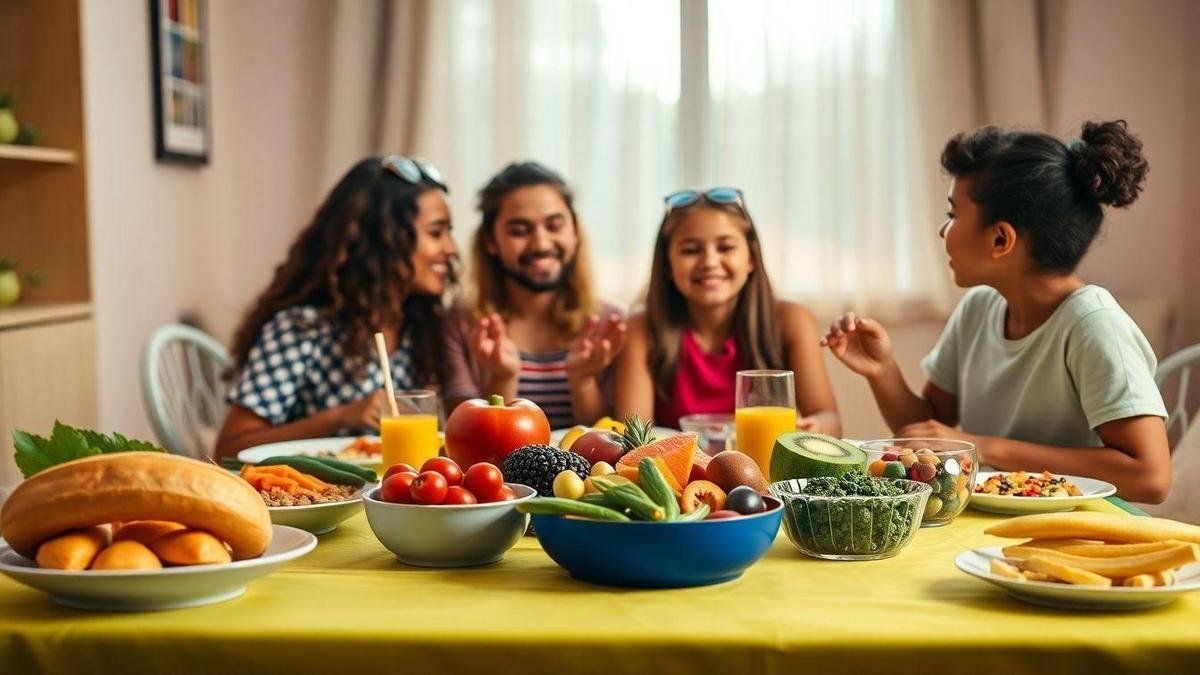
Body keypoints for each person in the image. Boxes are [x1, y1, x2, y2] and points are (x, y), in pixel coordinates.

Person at [821, 120, 1171, 502]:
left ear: (1000, 239)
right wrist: (882, 369)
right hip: (992, 525)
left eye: (953, 214)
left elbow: (1151, 478)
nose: (943, 231)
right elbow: (932, 430)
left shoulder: (1092, 325)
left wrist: (984, 447)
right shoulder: (979, 307)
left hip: (1078, 536)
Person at [214, 156, 458, 458]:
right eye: (436, 233)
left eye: (449, 232)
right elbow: (229, 448)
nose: (451, 248)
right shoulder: (303, 328)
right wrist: (340, 417)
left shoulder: (420, 325)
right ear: (384, 240)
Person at [615, 187, 841, 434]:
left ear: (751, 258)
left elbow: (829, 419)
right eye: (690, 250)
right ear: (668, 265)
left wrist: (813, 428)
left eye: (725, 248)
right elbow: (634, 435)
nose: (710, 262)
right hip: (681, 471)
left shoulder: (792, 321)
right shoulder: (641, 329)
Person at [443, 162, 625, 429]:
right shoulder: (461, 321)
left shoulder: (611, 323)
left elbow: (612, 444)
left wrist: (583, 382)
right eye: (519, 231)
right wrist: (502, 377)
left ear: (574, 231)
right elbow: (464, 438)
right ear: (490, 242)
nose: (540, 244)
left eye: (554, 226)